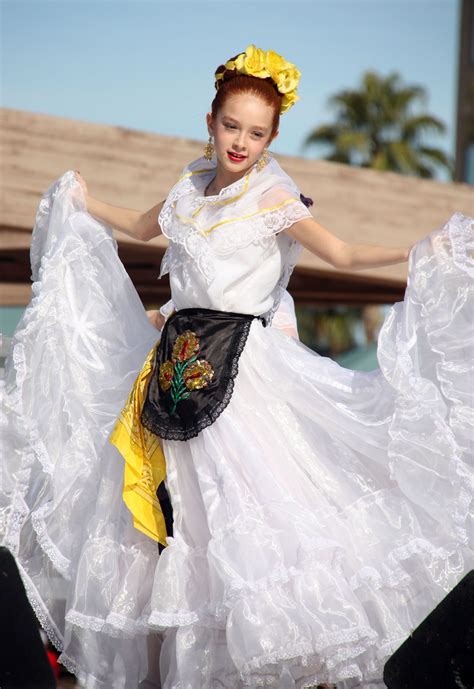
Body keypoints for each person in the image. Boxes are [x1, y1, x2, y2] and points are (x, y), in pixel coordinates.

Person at [0, 43, 472, 689]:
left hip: (244, 383)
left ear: (272, 136)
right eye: (231, 125)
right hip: (171, 382)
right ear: (210, 120)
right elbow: (142, 227)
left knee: (261, 525)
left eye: (256, 131)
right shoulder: (187, 189)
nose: (241, 141)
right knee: (179, 539)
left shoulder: (273, 194)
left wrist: (419, 249)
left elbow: (340, 250)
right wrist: (84, 202)